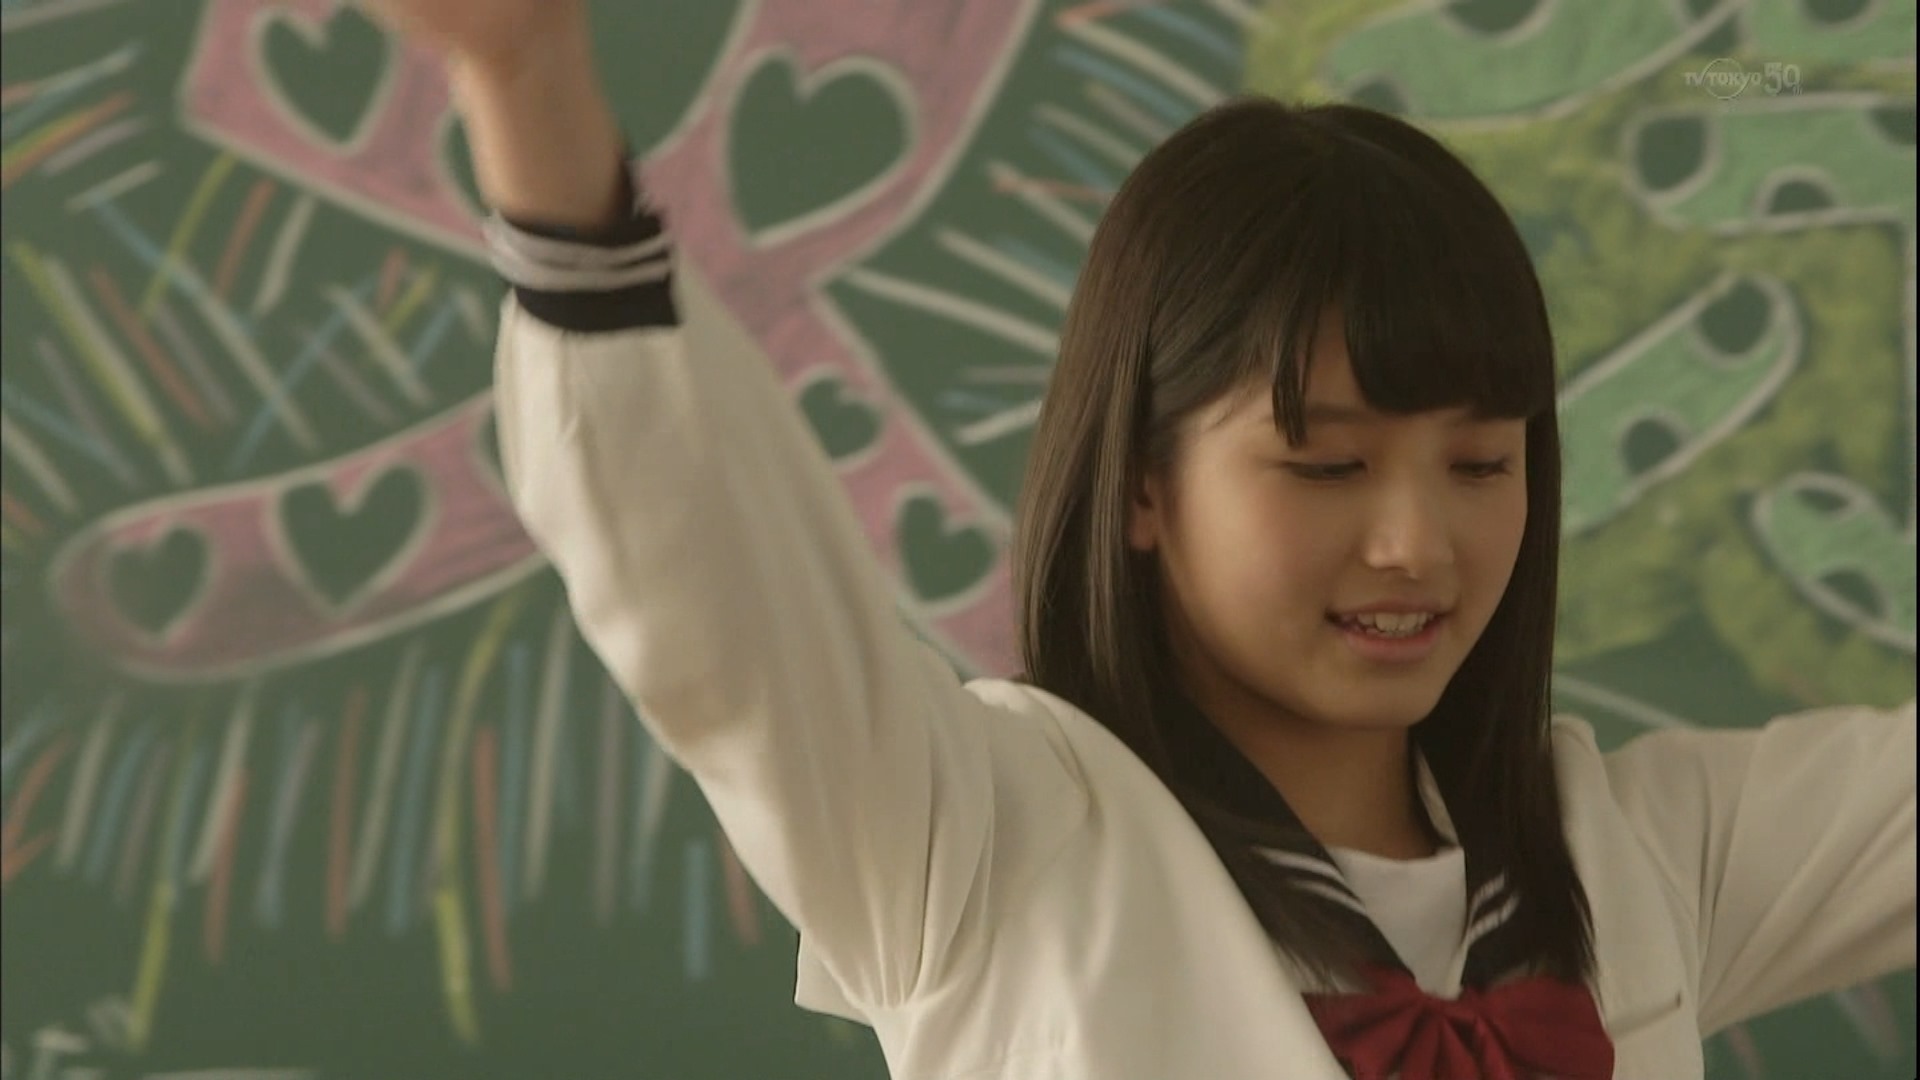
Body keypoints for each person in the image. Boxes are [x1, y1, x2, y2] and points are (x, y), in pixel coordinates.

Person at [365, 2, 1918, 1077]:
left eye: (1481, 461)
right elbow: (722, 599)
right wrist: (531, 91)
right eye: (1324, 465)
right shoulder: (984, 839)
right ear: (1140, 489)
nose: (1416, 543)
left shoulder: (1626, 856)